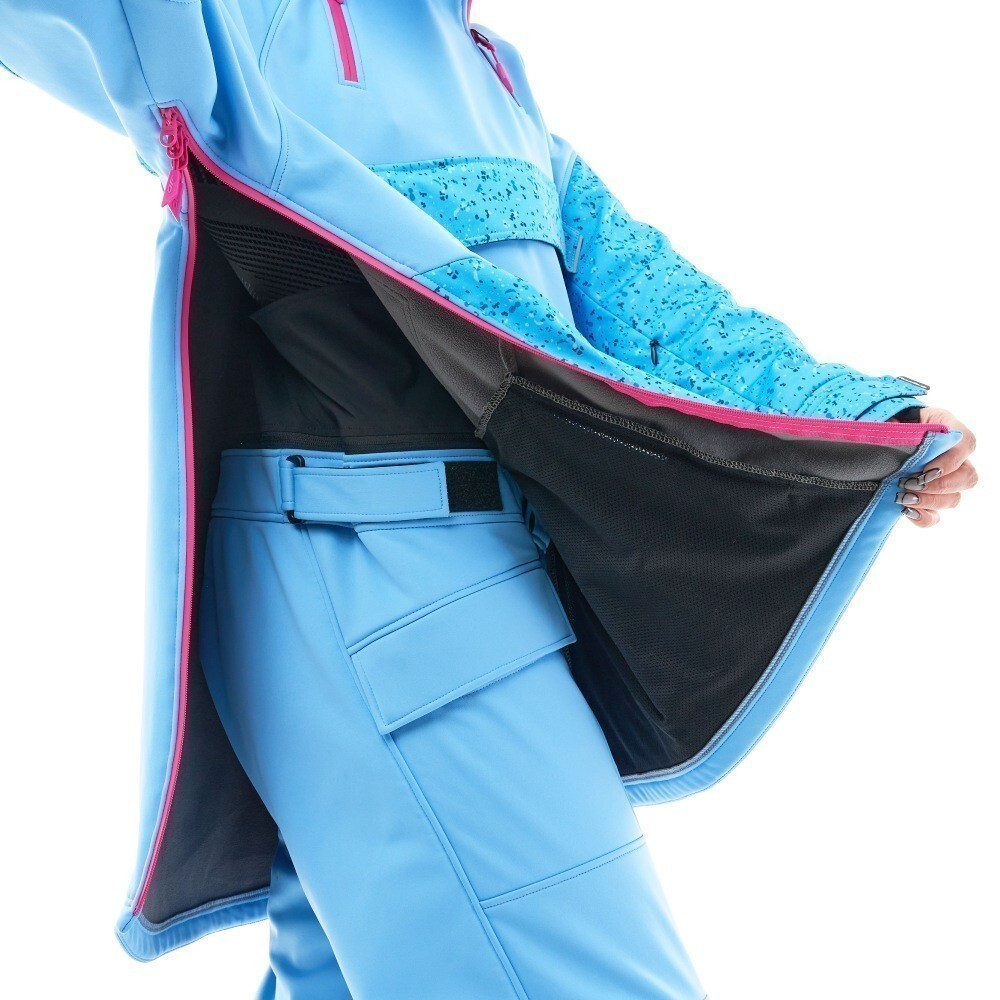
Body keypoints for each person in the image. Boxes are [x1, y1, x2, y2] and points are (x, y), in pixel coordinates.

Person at [0, 2, 977, 997]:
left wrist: (862, 415)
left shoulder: (491, 71)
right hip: (378, 575)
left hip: (479, 586)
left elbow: (647, 296)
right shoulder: (266, 19)